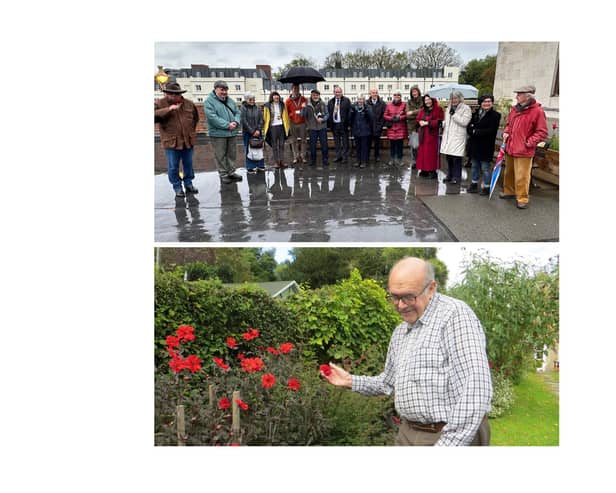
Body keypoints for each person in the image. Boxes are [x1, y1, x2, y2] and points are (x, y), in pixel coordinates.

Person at [321, 257, 493, 446]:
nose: (401, 305)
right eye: (395, 296)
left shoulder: (455, 316)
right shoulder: (400, 332)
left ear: (431, 288)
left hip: (447, 435)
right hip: (407, 433)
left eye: (409, 297)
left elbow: (475, 388)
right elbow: (387, 382)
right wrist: (350, 381)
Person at [501, 85, 548, 209]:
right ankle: (509, 192)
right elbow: (508, 124)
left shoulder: (537, 111)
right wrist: (506, 131)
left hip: (524, 150)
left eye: (519, 94)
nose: (516, 96)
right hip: (511, 147)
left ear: (528, 96)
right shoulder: (515, 109)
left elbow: (542, 132)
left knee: (522, 176)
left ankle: (522, 198)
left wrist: (528, 143)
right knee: (508, 172)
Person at [154, 81, 200, 197]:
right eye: (171, 94)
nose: (174, 96)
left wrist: (190, 132)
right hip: (171, 142)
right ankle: (177, 186)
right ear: (166, 94)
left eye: (176, 94)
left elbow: (195, 119)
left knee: (188, 164)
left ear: (180, 93)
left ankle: (188, 184)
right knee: (173, 166)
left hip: (187, 141)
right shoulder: (160, 103)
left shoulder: (189, 104)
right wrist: (169, 109)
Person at [204, 80, 243, 184]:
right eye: (222, 90)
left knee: (231, 153)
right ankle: (223, 174)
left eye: (226, 90)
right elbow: (212, 117)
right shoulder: (209, 101)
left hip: (232, 132)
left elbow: (237, 112)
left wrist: (235, 121)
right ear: (216, 89)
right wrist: (227, 125)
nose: (224, 92)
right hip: (218, 134)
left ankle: (231, 172)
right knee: (220, 154)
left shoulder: (230, 100)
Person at [466, 94, 501, 195]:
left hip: (486, 146)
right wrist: (473, 130)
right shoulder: (476, 114)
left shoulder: (495, 115)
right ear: (480, 103)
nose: (487, 103)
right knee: (474, 166)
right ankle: (474, 184)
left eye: (489, 101)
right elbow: (469, 127)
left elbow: (491, 130)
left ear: (492, 102)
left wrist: (475, 131)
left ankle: (486, 187)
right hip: (474, 145)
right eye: (484, 101)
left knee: (485, 168)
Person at [440, 91, 472, 187]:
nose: (453, 100)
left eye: (455, 98)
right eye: (452, 98)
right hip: (448, 136)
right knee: (449, 157)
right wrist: (442, 123)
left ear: (460, 98)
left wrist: (454, 114)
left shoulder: (466, 108)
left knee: (456, 158)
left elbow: (464, 122)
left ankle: (456, 177)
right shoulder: (449, 107)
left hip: (458, 137)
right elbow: (448, 122)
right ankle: (449, 175)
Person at [415, 95, 444, 179]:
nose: (427, 101)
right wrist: (419, 122)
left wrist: (428, 123)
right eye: (425, 100)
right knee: (423, 153)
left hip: (432, 135)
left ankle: (432, 170)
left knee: (431, 154)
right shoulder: (422, 110)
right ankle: (424, 170)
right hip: (423, 135)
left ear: (432, 100)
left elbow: (439, 121)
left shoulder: (438, 109)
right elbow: (417, 119)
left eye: (429, 100)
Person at [302, 89, 329, 168]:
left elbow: (327, 114)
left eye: (317, 95)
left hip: (322, 127)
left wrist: (323, 119)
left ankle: (325, 159)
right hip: (312, 128)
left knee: (324, 144)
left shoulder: (323, 103)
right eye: (313, 95)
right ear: (311, 95)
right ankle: (313, 160)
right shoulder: (307, 105)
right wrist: (303, 108)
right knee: (312, 145)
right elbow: (303, 115)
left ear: (319, 96)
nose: (315, 96)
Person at [239, 92, 265, 174]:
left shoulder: (257, 107)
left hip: (258, 132)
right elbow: (244, 121)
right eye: (250, 99)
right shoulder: (243, 108)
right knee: (249, 149)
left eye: (253, 99)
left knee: (259, 148)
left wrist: (258, 130)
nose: (252, 101)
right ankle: (250, 166)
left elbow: (261, 120)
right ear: (246, 100)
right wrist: (252, 131)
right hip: (248, 133)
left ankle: (260, 165)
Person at [263, 91, 290, 169]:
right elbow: (265, 117)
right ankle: (276, 162)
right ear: (272, 97)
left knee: (282, 145)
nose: (276, 97)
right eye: (274, 96)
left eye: (277, 95)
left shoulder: (282, 104)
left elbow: (286, 116)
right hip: (272, 127)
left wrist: (287, 127)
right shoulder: (267, 105)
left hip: (281, 126)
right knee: (274, 145)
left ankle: (282, 161)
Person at [327, 86, 352, 164]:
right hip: (334, 125)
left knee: (345, 142)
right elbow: (329, 113)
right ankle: (338, 156)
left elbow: (349, 112)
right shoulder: (330, 102)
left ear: (342, 92)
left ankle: (345, 157)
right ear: (333, 93)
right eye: (336, 92)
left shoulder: (346, 101)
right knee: (336, 142)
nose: (337, 93)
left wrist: (348, 123)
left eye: (339, 92)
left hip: (343, 125)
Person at [285, 84, 308, 165]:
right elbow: (286, 113)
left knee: (303, 140)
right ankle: (295, 157)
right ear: (291, 90)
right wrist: (291, 116)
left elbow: (306, 113)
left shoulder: (304, 99)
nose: (296, 90)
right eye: (294, 89)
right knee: (293, 141)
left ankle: (303, 156)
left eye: (298, 89)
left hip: (302, 122)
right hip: (292, 123)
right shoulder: (288, 101)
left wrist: (304, 107)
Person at [383, 90, 408, 166]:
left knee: (400, 145)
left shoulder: (404, 104)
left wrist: (400, 117)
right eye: (395, 95)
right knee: (392, 145)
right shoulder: (389, 105)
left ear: (401, 96)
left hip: (400, 128)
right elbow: (385, 115)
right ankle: (392, 159)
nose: (397, 96)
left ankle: (400, 160)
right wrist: (391, 118)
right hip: (392, 128)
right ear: (393, 96)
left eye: (398, 95)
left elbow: (407, 114)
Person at [349, 95, 373, 168]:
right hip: (356, 130)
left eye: (361, 99)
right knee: (358, 147)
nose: (360, 101)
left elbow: (371, 118)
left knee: (364, 147)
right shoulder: (354, 107)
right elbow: (350, 118)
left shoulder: (368, 107)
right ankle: (358, 161)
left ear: (364, 100)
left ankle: (364, 161)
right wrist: (351, 112)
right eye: (359, 99)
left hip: (365, 130)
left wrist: (366, 110)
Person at [366, 88, 386, 164]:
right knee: (368, 143)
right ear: (370, 94)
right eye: (373, 92)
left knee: (377, 143)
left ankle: (376, 156)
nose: (374, 94)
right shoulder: (366, 103)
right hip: (368, 127)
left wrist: (380, 125)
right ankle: (367, 156)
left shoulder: (382, 103)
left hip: (378, 127)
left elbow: (384, 115)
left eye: (376, 92)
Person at [406, 85, 423, 168]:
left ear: (418, 92)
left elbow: (423, 111)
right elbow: (407, 114)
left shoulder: (423, 100)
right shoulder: (409, 102)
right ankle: (414, 161)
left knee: (422, 146)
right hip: (412, 127)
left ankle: (422, 161)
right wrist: (417, 114)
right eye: (413, 92)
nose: (414, 93)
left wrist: (413, 112)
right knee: (414, 146)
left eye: (415, 91)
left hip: (422, 126)